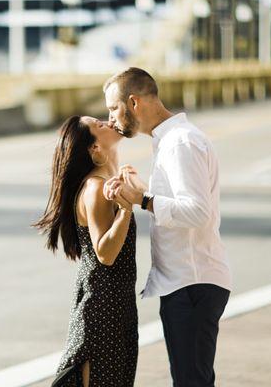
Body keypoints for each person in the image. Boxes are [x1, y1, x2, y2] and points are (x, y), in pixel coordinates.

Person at [103, 67, 232, 387]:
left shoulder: (179, 143)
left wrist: (143, 199)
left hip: (191, 284)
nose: (110, 119)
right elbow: (183, 203)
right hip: (188, 283)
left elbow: (197, 212)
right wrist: (141, 189)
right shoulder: (171, 140)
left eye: (112, 108)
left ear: (133, 102)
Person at [34, 115, 138, 387]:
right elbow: (105, 253)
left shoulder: (108, 181)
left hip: (115, 302)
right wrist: (127, 208)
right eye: (100, 125)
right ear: (94, 148)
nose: (108, 122)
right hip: (103, 307)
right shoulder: (95, 188)